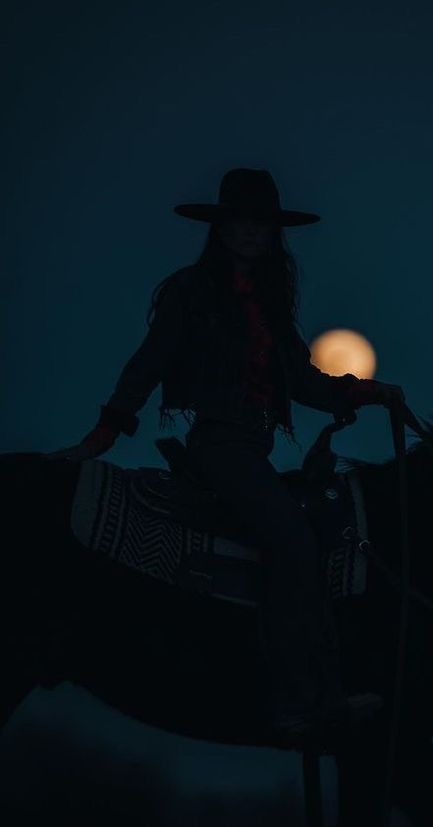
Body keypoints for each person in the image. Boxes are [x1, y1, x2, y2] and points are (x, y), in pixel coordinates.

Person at [46, 168, 405, 747]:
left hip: (252, 450)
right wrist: (105, 432)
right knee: (293, 540)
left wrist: (368, 391)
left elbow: (305, 383)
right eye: (239, 221)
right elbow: (150, 361)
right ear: (221, 228)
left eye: (259, 224)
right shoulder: (191, 292)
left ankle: (317, 682)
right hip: (219, 449)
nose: (248, 232)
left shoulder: (269, 306)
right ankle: (297, 700)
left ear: (271, 234)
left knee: (306, 528)